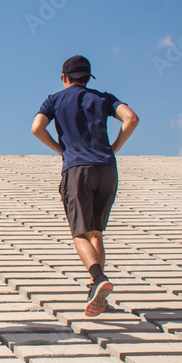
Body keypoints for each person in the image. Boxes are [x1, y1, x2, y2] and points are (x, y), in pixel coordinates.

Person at [31, 55, 139, 317]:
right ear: (88, 78)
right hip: (107, 170)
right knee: (96, 233)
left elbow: (36, 128)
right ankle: (96, 292)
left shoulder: (54, 99)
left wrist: (60, 150)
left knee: (80, 234)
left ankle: (98, 277)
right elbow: (131, 118)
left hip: (77, 170)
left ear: (64, 78)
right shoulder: (103, 98)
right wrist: (115, 147)